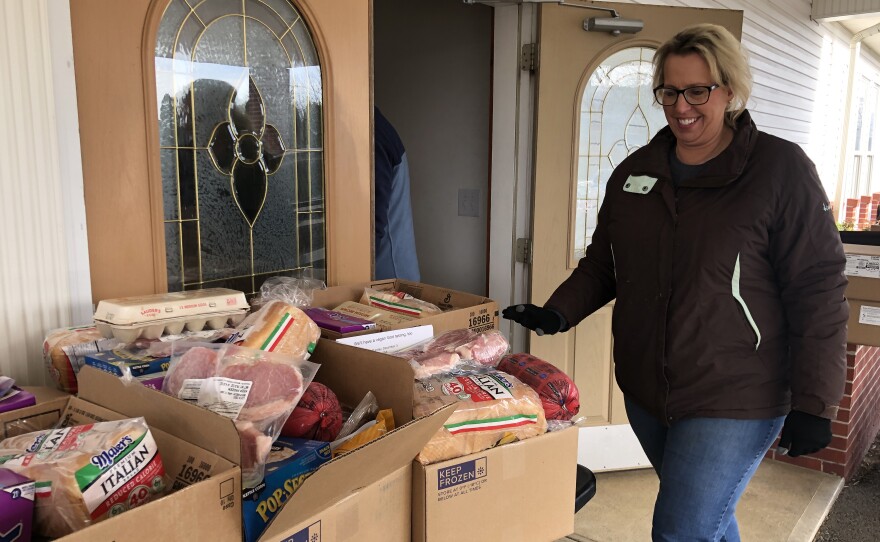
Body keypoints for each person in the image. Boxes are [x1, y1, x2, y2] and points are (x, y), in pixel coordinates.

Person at [504, 24, 848, 542]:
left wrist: (815, 402)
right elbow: (605, 263)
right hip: (647, 389)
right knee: (705, 520)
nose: (681, 105)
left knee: (681, 529)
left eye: (698, 90)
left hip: (735, 393)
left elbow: (818, 289)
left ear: (729, 90)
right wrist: (558, 311)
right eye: (669, 91)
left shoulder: (779, 170)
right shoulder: (636, 172)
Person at [374, 106, 421, 281]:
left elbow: (373, 223)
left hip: (390, 279)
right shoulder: (377, 128)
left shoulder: (375, 135)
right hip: (389, 273)